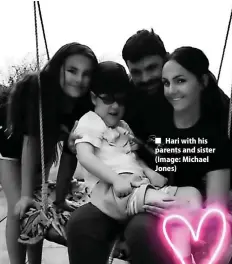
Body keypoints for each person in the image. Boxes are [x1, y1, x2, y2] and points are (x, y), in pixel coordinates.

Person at [66, 32, 230, 264]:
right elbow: (94, 111)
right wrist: (74, 140)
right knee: (79, 224)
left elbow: (221, 145)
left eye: (152, 68)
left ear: (166, 59)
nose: (144, 78)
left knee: (143, 232)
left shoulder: (200, 93)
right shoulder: (130, 98)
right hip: (127, 186)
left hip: (176, 189)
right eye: (136, 72)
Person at [0, 42, 97, 264]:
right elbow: (30, 142)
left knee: (40, 205)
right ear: (58, 68)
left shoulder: (82, 103)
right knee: (20, 207)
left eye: (86, 74)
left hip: (42, 150)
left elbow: (70, 152)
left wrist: (61, 198)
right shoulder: (40, 90)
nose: (79, 79)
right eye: (72, 70)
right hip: (10, 150)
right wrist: (25, 194)